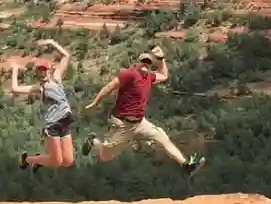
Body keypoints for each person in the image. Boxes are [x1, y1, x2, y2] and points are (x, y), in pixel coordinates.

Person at [81, 46, 204, 175]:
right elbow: (110, 86)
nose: (146, 64)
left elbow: (164, 75)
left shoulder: (149, 77)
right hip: (123, 124)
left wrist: (161, 59)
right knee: (105, 157)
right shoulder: (130, 74)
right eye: (143, 61)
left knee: (163, 138)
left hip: (140, 123)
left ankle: (186, 166)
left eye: (149, 62)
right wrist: (96, 102)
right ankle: (93, 142)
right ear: (138, 63)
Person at [9, 38, 75, 172]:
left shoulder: (57, 78)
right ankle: (27, 159)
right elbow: (15, 89)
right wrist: (15, 70)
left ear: (49, 70)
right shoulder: (39, 87)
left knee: (68, 161)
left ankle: (40, 160)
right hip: (52, 125)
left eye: (44, 69)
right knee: (56, 161)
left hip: (65, 122)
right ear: (37, 73)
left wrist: (51, 42)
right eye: (39, 70)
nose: (42, 72)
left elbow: (66, 56)